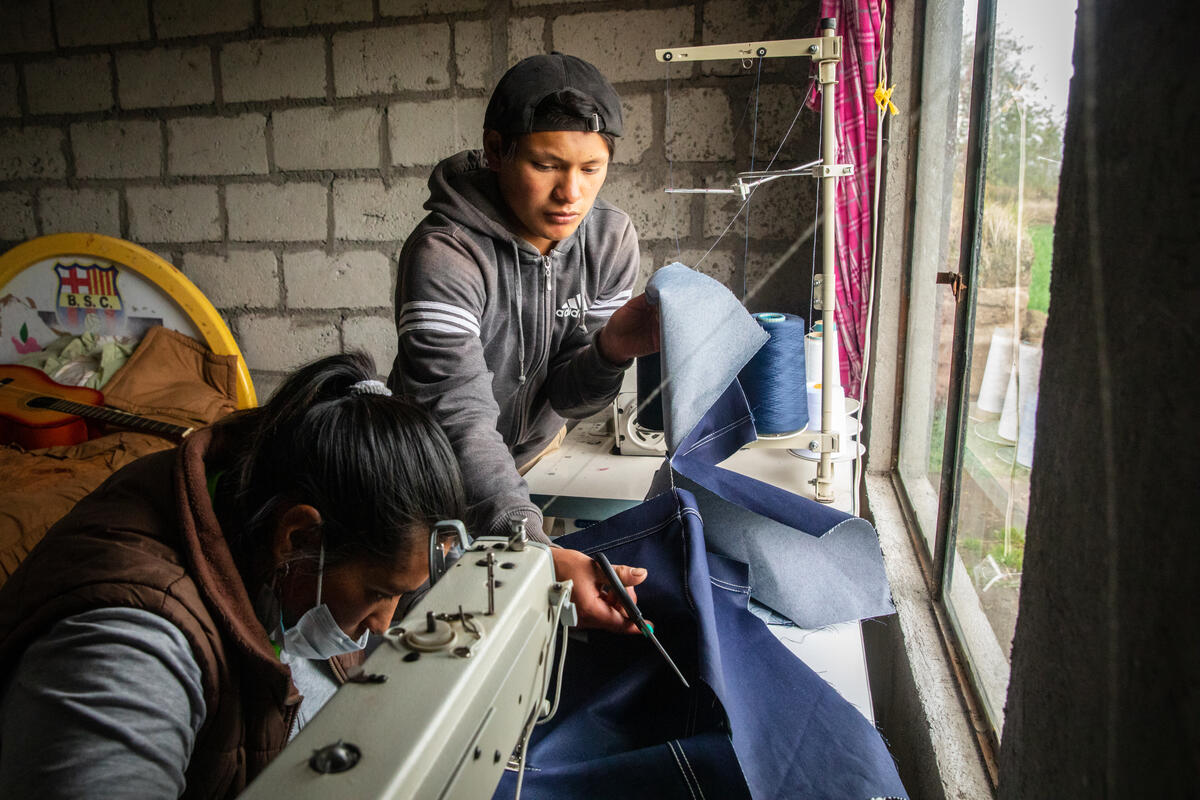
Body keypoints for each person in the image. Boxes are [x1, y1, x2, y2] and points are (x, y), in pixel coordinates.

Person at [0, 353, 468, 798]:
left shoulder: (267, 509)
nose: (382, 625)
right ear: (299, 537)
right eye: (379, 593)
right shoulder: (128, 657)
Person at [389, 53, 659, 628]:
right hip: (422, 476)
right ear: (495, 150)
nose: (572, 194)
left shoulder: (609, 241)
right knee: (423, 633)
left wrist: (612, 348)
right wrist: (532, 549)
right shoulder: (445, 254)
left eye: (592, 168)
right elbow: (456, 418)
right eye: (546, 164)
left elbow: (568, 397)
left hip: (518, 466)